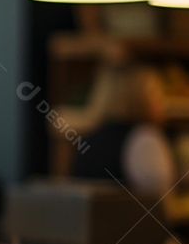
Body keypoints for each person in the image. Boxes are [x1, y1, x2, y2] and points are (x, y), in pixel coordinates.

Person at [67, 61, 176, 197]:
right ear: (139, 96)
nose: (162, 101)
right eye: (155, 92)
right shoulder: (145, 138)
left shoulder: (88, 139)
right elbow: (159, 198)